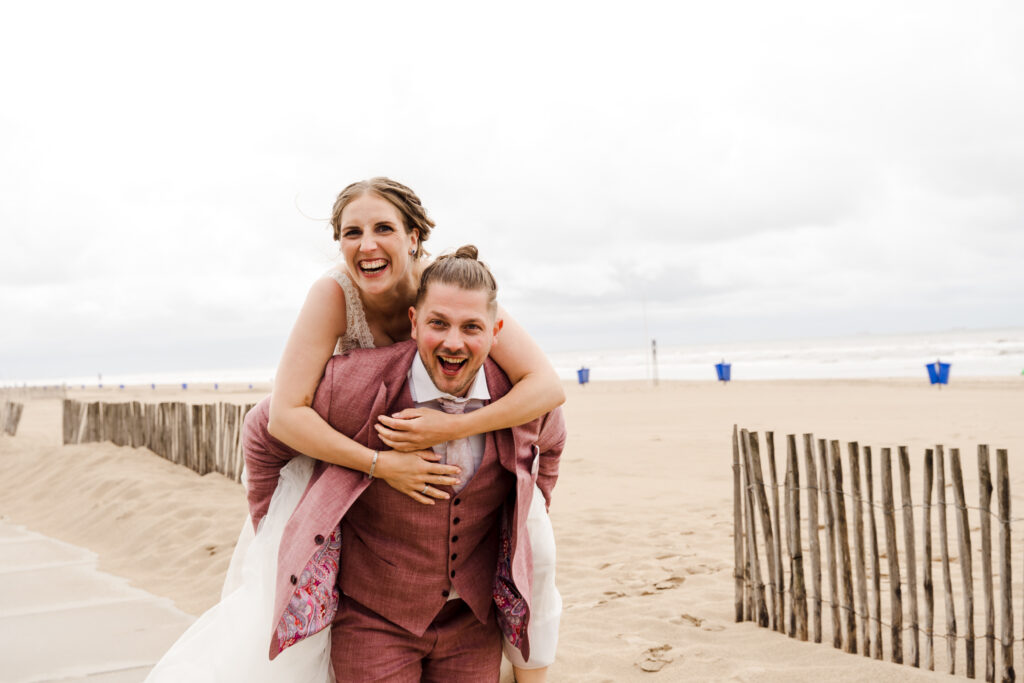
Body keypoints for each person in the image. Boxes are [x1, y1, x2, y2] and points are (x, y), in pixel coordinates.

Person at [244, 247, 565, 679]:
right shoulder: (353, 385)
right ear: (413, 323)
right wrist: (269, 526)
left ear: (496, 331)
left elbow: (552, 443)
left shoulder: (520, 396)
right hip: (374, 619)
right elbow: (264, 430)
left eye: (471, 327)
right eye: (438, 324)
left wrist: (530, 513)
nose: (454, 342)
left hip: (473, 621)